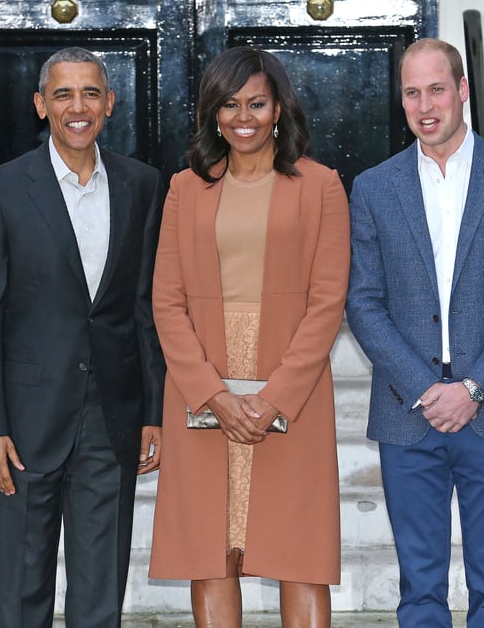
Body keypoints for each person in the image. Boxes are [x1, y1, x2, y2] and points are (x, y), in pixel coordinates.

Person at [344, 38, 484, 627]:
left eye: (437, 89)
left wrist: (473, 387)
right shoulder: (373, 187)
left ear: (463, 90)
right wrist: (423, 386)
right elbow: (363, 301)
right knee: (419, 591)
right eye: (412, 93)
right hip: (407, 408)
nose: (425, 104)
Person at [0, 47, 165, 627]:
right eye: (64, 94)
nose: (78, 107)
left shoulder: (142, 185)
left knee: (101, 589)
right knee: (23, 590)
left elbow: (143, 307)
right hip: (24, 419)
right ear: (40, 105)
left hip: (113, 416)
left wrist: (154, 408)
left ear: (110, 103)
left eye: (91, 93)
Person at [148, 46, 349, 627]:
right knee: (211, 555)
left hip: (294, 385)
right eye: (230, 104)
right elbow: (167, 300)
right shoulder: (186, 188)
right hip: (203, 379)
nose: (244, 117)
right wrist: (212, 395)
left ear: (279, 108)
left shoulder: (321, 185)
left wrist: (274, 397)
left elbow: (327, 302)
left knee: (301, 553)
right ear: (214, 113)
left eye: (257, 103)